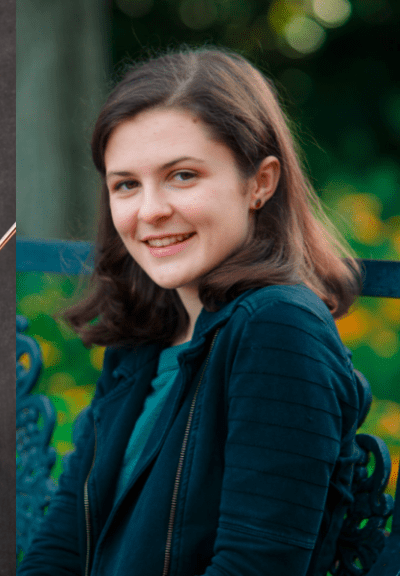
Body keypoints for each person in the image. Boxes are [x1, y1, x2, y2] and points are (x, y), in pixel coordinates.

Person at [18, 47, 367, 576]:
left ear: (260, 182)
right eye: (126, 184)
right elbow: (65, 539)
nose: (150, 211)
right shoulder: (146, 336)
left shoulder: (278, 329)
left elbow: (254, 566)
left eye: (182, 176)